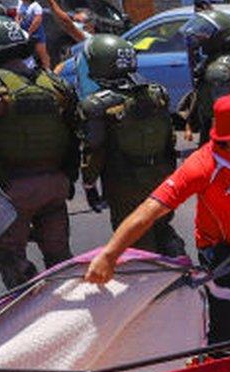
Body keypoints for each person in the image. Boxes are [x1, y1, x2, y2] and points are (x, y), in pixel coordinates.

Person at [84, 94, 230, 346]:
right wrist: (109, 255)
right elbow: (149, 211)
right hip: (222, 249)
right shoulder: (202, 166)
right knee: (225, 326)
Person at [0, 14, 79, 289]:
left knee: (8, 256)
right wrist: (68, 179)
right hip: (55, 186)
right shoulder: (53, 84)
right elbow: (75, 137)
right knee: (60, 257)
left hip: (12, 192)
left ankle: (28, 304)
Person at [77, 34, 185, 258]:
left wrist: (89, 184)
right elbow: (170, 139)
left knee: (133, 239)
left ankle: (150, 286)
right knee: (162, 227)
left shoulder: (97, 105)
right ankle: (179, 273)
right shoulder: (157, 94)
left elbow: (94, 149)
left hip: (124, 184)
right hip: (161, 178)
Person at [182, 9, 230, 146]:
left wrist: (217, 146)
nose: (199, 39)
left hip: (225, 136)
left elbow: (221, 112)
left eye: (205, 34)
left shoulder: (219, 70)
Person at [15, 0, 49, 69]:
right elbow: (18, 16)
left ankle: (48, 70)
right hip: (23, 32)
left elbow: (37, 21)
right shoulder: (20, 3)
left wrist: (29, 33)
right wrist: (17, 26)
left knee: (42, 54)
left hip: (37, 34)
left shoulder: (36, 6)